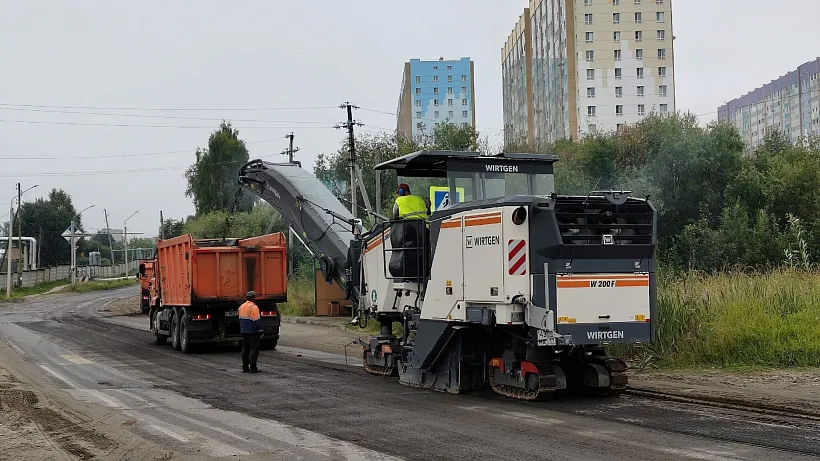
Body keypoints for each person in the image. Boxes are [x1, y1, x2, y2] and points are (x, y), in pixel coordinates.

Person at [238, 291, 263, 373]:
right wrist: (260, 330)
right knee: (253, 349)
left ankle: (245, 367)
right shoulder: (254, 307)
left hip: (244, 331)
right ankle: (253, 367)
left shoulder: (241, 306)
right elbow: (257, 320)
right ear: (254, 298)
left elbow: (240, 319)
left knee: (245, 349)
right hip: (253, 331)